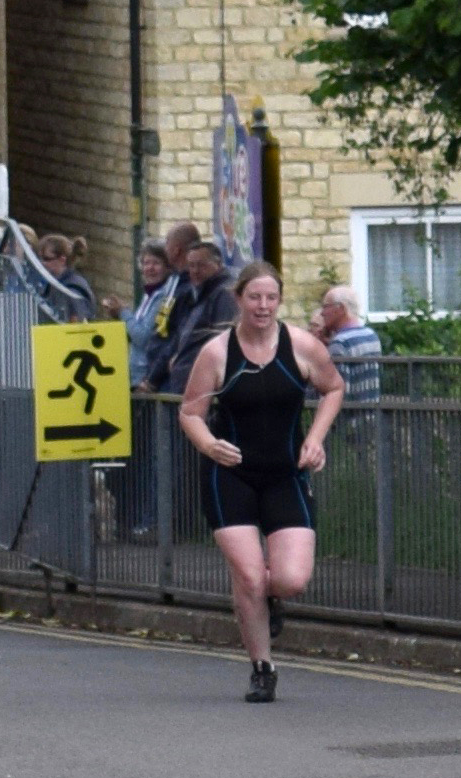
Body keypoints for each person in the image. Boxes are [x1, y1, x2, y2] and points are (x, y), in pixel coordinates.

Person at [177, 260, 346, 702]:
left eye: (271, 297)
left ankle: (263, 601)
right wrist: (210, 445)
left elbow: (334, 389)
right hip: (229, 474)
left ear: (280, 301)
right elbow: (189, 412)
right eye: (254, 297)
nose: (263, 306)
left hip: (285, 474)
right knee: (251, 577)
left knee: (289, 579)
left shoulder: (303, 346)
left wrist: (315, 439)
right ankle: (262, 668)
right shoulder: (217, 353)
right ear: (239, 299)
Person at [149, 240, 238, 393]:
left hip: (202, 389)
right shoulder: (195, 295)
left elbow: (221, 340)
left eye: (201, 265)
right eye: (191, 265)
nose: (195, 271)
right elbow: (179, 339)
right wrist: (152, 380)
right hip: (182, 385)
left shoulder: (224, 294)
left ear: (217, 265)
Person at [314, 284, 382, 401]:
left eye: (325, 307)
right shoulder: (371, 335)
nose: (322, 313)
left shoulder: (340, 342)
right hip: (372, 413)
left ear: (340, 309)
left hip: (350, 416)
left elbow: (334, 390)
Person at [125, 243, 178, 386]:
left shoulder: (163, 296)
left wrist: (122, 313)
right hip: (136, 373)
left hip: (146, 374)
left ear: (167, 268)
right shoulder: (149, 294)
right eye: (146, 263)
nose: (150, 268)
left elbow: (143, 337)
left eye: (156, 263)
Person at [37, 234, 97, 323]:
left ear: (62, 260)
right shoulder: (54, 283)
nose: (42, 263)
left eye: (46, 259)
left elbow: (79, 324)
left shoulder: (73, 289)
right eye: (40, 258)